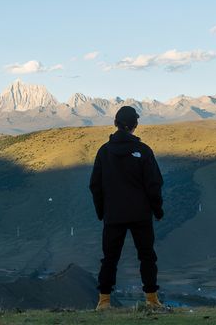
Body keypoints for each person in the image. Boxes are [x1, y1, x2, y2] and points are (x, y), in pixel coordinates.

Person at [89, 105, 164, 311]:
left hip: (113, 215)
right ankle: (152, 300)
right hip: (141, 214)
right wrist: (157, 210)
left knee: (110, 258)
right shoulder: (143, 151)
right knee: (147, 256)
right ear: (135, 125)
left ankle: (103, 302)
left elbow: (95, 185)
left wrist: (101, 211)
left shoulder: (104, 152)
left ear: (115, 124)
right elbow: (154, 184)